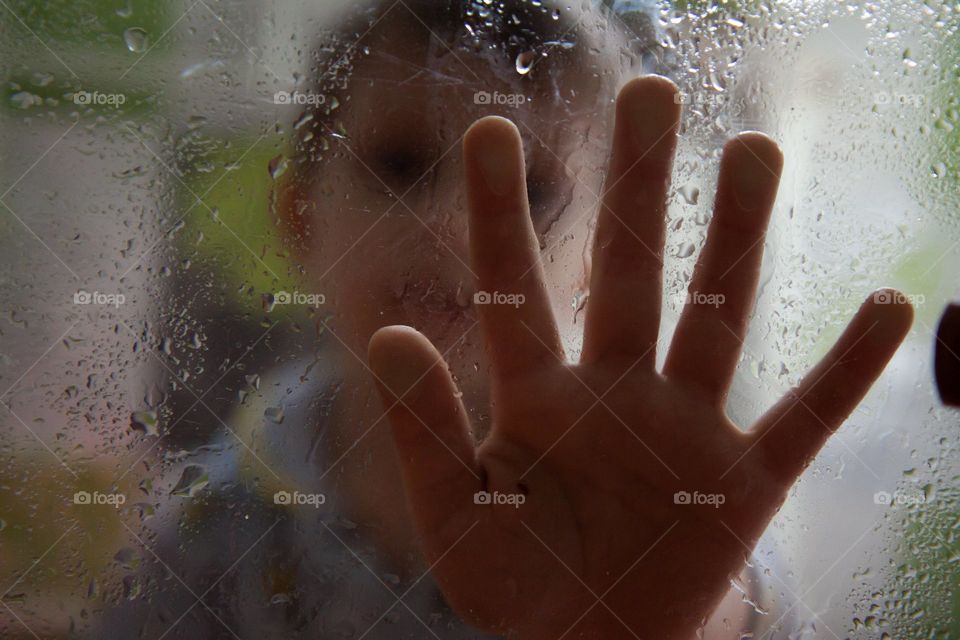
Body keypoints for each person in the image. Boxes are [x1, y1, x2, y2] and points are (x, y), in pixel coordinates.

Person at [92, 1, 912, 638]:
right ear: (301, 216)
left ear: (593, 262)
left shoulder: (651, 493)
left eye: (533, 190)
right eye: (401, 164)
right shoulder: (218, 522)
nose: (455, 224)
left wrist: (665, 618)